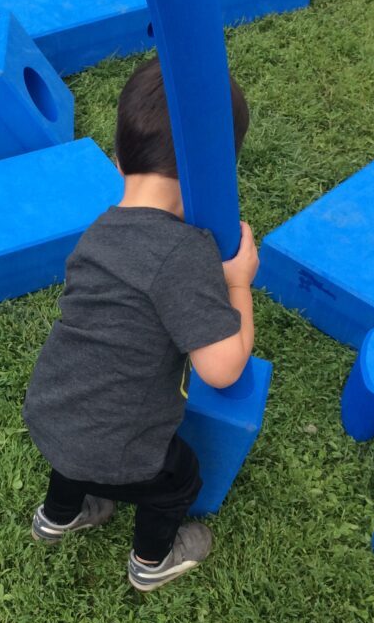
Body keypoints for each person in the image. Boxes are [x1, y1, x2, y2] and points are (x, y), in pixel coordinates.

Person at [22, 57, 259, 592]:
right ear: (214, 171)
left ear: (117, 155)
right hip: (119, 445)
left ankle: (57, 516)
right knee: (178, 479)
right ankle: (152, 562)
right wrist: (238, 281)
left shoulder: (99, 231)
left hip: (51, 412)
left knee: (75, 458)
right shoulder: (184, 254)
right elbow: (221, 369)